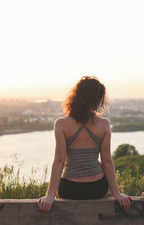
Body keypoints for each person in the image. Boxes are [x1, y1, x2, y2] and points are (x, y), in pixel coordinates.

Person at [37, 76, 132, 214]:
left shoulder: (61, 124)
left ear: (76, 96)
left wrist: (50, 196)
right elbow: (106, 162)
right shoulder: (104, 125)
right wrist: (117, 194)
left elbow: (59, 161)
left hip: (70, 189)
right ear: (98, 100)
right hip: (97, 188)